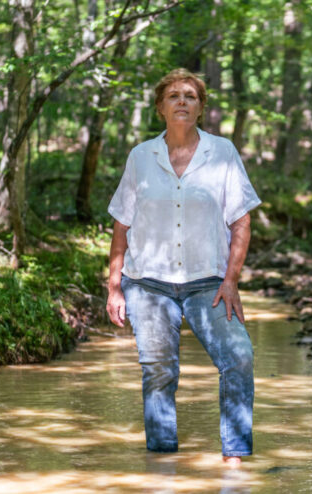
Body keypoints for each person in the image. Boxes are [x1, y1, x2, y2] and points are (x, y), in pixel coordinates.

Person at [106, 68, 261, 467]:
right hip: (148, 284)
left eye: (190, 96)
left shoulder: (222, 152)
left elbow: (241, 220)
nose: (181, 101)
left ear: (200, 107)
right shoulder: (141, 156)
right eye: (173, 95)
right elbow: (121, 224)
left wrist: (231, 281)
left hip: (207, 280)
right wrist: (114, 286)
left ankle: (235, 457)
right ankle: (161, 464)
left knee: (239, 356)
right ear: (160, 107)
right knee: (159, 371)